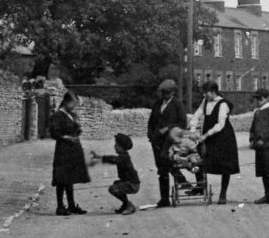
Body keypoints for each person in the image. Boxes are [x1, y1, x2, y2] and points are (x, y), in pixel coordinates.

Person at [190, 81, 240, 204]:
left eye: (206, 93)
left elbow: (220, 124)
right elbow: (197, 115)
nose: (204, 95)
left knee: (225, 166)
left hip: (223, 137)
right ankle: (200, 186)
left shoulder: (223, 104)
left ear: (213, 92)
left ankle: (223, 194)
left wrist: (205, 135)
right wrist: (192, 130)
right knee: (199, 160)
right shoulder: (205, 101)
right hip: (208, 137)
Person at [147, 79, 194, 207]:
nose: (165, 95)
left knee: (165, 164)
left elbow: (182, 123)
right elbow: (151, 121)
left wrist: (167, 128)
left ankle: (168, 194)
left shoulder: (177, 105)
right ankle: (168, 194)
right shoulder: (158, 103)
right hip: (156, 140)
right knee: (161, 168)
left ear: (173, 92)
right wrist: (150, 134)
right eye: (163, 92)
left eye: (167, 92)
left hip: (169, 141)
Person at [49, 91, 91, 216]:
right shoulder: (58, 115)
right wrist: (67, 138)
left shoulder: (71, 115)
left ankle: (71, 205)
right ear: (67, 102)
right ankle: (60, 206)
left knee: (70, 178)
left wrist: (78, 127)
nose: (74, 107)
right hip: (64, 150)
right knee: (62, 178)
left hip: (73, 150)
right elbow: (54, 133)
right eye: (73, 104)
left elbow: (75, 131)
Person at [90, 133, 141, 215]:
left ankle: (129, 205)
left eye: (116, 145)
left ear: (122, 147)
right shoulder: (123, 156)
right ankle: (126, 204)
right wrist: (99, 157)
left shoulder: (123, 157)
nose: (114, 146)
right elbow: (113, 158)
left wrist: (99, 159)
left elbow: (113, 160)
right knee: (116, 184)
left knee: (113, 188)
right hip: (131, 183)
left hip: (132, 185)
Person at [250, 87, 269, 205]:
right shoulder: (257, 111)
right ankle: (267, 194)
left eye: (261, 98)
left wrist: (262, 138)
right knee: (263, 171)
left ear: (267, 98)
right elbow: (253, 127)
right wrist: (252, 139)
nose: (259, 101)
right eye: (257, 98)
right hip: (259, 145)